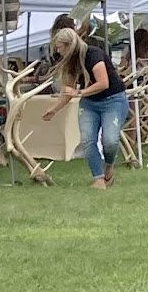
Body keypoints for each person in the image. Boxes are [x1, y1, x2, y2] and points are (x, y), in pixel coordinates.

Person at [51, 27, 128, 188]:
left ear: (68, 45)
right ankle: (98, 179)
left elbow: (103, 83)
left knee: (110, 141)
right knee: (87, 140)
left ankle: (109, 165)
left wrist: (79, 92)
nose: (58, 51)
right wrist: (54, 109)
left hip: (113, 100)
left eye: (59, 47)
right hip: (89, 104)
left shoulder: (93, 54)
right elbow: (68, 91)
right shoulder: (70, 63)